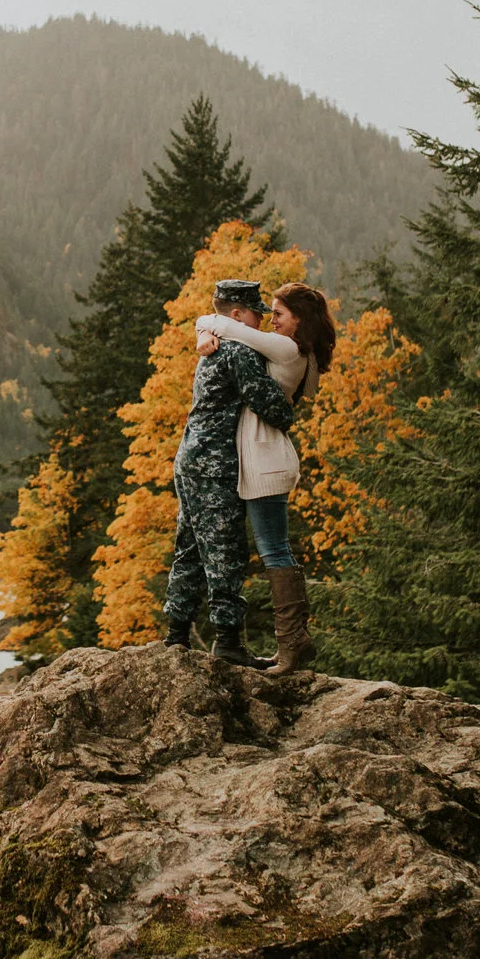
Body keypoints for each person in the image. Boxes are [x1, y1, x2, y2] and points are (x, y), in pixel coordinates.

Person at [196, 281, 338, 672]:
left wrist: (204, 326)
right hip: (266, 455)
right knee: (274, 548)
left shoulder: (288, 348)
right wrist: (206, 332)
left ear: (299, 320)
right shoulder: (295, 350)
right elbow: (229, 327)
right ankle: (293, 643)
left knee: (275, 550)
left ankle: (294, 644)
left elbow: (233, 327)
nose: (271, 320)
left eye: (278, 314)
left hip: (266, 459)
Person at [165, 279, 296, 666]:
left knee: (188, 548)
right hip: (215, 464)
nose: (260, 320)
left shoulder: (214, 346)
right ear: (236, 314)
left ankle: (175, 635)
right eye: (256, 312)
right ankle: (228, 642)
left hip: (189, 457)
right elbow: (272, 407)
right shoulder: (238, 351)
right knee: (226, 551)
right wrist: (292, 403)